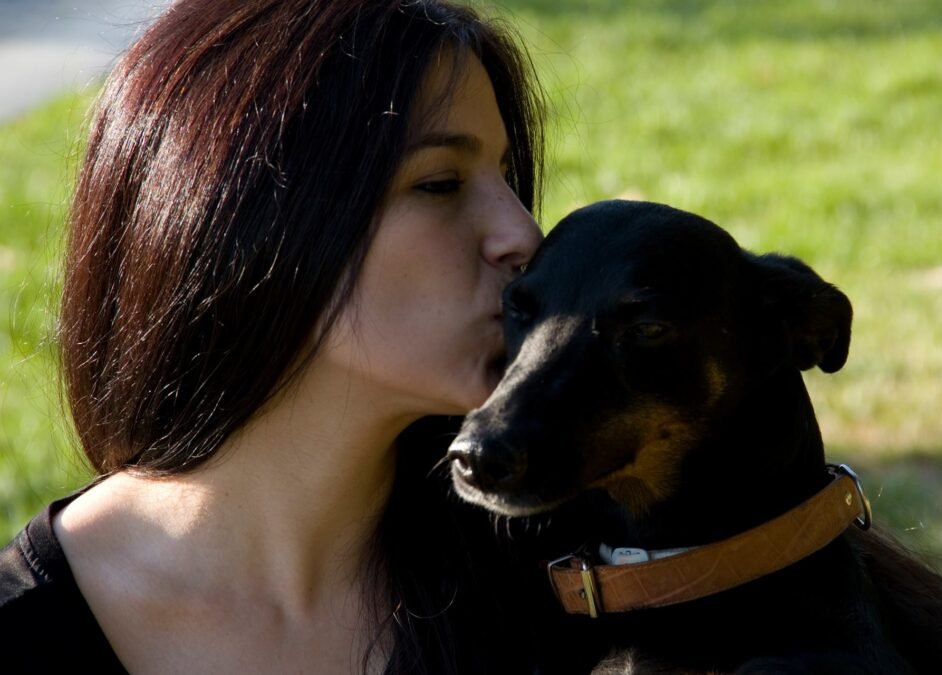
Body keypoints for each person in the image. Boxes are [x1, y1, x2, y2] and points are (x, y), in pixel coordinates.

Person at [0, 0, 547, 672]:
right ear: (245, 219)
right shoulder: (25, 633)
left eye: (508, 178)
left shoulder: (566, 587)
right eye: (439, 183)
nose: (522, 233)